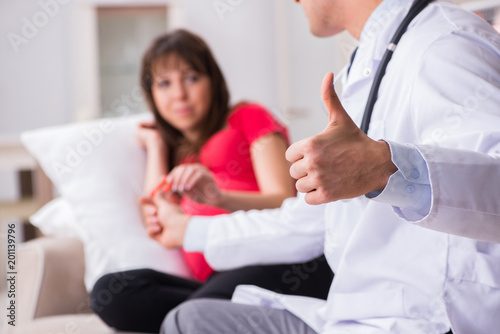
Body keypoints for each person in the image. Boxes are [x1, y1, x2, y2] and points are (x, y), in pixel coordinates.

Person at [156, 0, 500, 333]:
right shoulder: (364, 67)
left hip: (427, 320)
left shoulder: (442, 43)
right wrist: (190, 231)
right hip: (357, 314)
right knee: (190, 317)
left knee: (186, 322)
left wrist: (388, 168)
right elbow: (310, 222)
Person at [89, 29, 334, 333]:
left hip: (272, 259)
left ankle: (199, 315)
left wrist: (221, 198)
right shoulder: (174, 153)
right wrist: (155, 145)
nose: (179, 94)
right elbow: (161, 220)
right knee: (112, 292)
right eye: (164, 84)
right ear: (150, 93)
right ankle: (204, 314)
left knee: (191, 315)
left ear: (213, 81)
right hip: (215, 281)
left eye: (191, 78)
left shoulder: (247, 117)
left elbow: (284, 200)